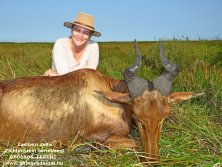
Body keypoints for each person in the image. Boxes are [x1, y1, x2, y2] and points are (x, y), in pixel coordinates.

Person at [43, 12, 101, 76]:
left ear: (90, 36)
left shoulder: (93, 46)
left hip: (81, 85)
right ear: (72, 30)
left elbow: (90, 75)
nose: (80, 35)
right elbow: (65, 75)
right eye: (77, 30)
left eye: (86, 33)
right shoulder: (60, 43)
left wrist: (56, 75)